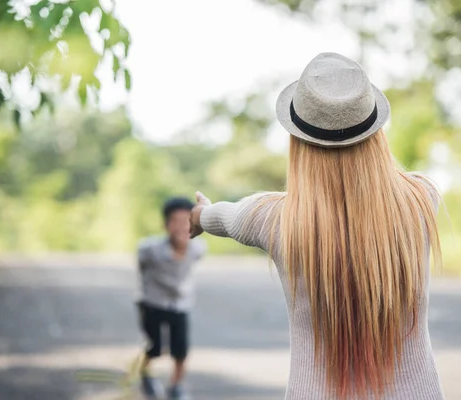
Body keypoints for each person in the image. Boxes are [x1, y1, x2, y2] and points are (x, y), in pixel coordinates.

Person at [189, 53, 444, 400]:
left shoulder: (274, 218)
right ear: (376, 134)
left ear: (299, 142)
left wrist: (198, 216)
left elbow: (220, 216)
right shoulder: (422, 196)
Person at [135, 197, 205, 400]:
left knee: (181, 349)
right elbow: (142, 266)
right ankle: (146, 375)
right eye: (176, 221)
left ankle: (176, 385)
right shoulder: (151, 250)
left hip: (180, 304)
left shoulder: (197, 248)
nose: (182, 226)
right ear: (166, 225)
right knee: (154, 347)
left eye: (187, 220)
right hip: (153, 303)